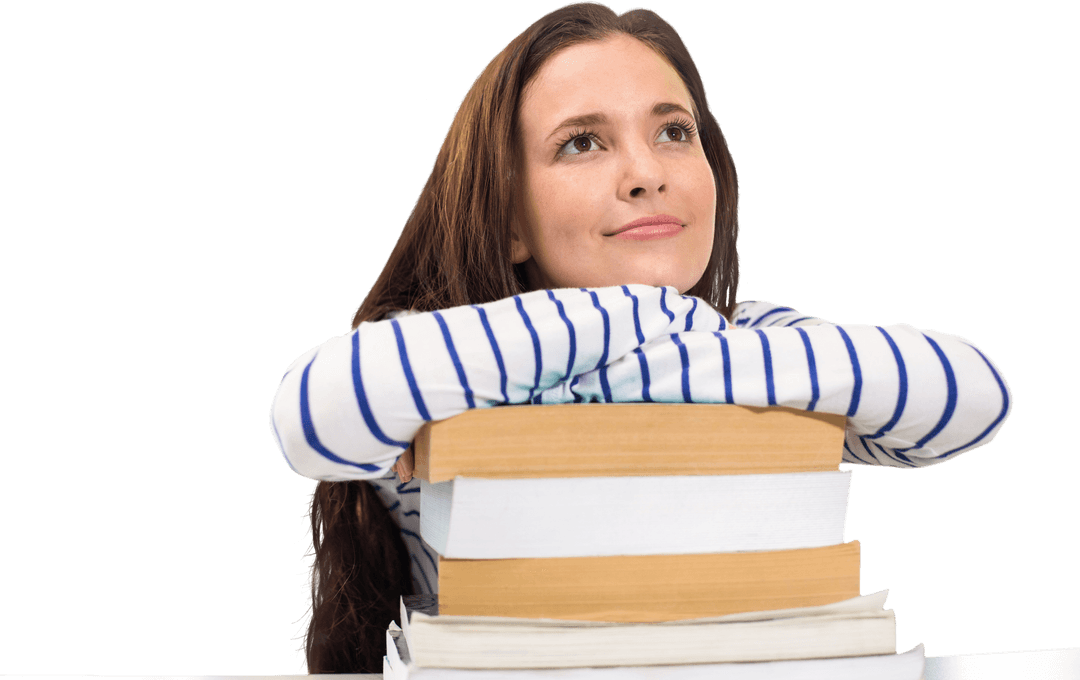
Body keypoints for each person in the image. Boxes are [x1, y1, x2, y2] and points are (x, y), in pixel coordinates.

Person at [268, 2, 1012, 672]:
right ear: (509, 219)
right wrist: (639, 320)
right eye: (582, 143)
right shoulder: (445, 362)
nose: (645, 173)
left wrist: (694, 346)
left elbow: (973, 395)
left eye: (673, 132)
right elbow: (312, 413)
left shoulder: (745, 339)